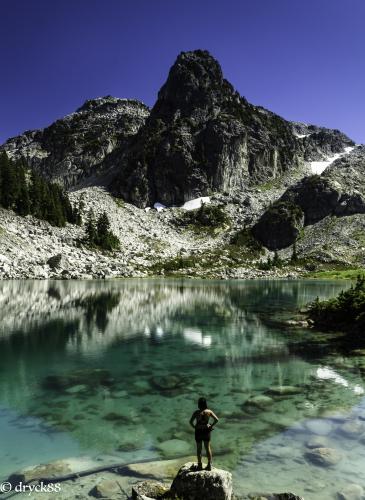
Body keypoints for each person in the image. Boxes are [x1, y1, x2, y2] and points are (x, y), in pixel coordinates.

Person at [189, 397, 219, 471]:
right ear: (205, 404)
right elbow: (216, 420)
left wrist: (195, 427)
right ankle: (209, 465)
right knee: (207, 448)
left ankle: (200, 465)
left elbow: (190, 422)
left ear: (199, 405)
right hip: (206, 431)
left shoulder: (196, 412)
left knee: (199, 449)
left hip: (198, 431)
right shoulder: (209, 412)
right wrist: (211, 426)